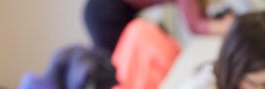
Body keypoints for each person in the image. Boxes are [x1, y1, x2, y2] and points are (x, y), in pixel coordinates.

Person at [83, 0, 235, 54]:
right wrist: (230, 25)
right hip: (105, 11)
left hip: (119, 9)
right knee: (113, 70)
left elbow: (199, 17)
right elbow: (195, 26)